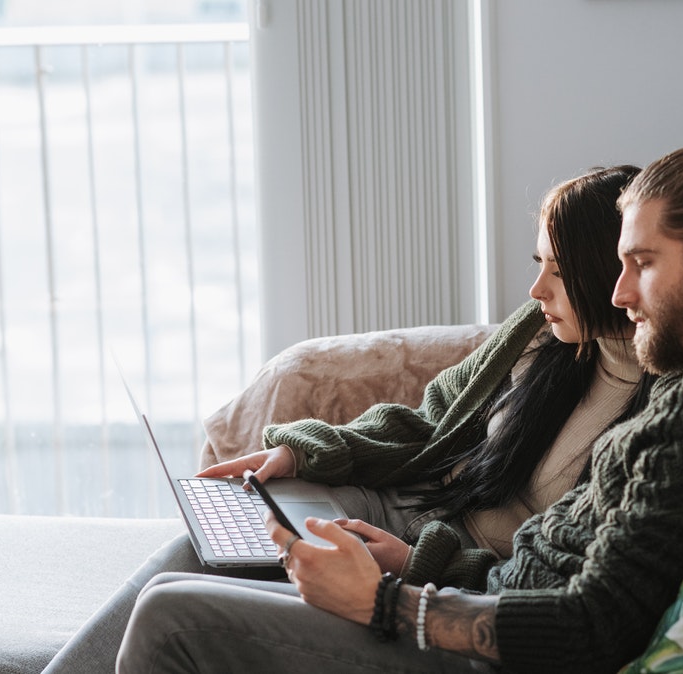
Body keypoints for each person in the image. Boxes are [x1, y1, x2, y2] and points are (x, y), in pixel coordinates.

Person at [116, 106, 683, 673]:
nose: (621, 290)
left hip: (471, 645)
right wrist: (410, 566)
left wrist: (385, 599)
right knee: (208, 557)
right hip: (468, 591)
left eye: (642, 264)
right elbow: (550, 563)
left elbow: (594, 624)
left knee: (169, 616)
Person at [46, 165, 650, 673]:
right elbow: (429, 422)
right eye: (537, 262)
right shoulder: (547, 336)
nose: (536, 288)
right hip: (408, 512)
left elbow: (548, 592)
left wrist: (411, 564)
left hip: (449, 582)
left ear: (611, 274)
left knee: (167, 610)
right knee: (208, 545)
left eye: (558, 271)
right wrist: (305, 454)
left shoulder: (654, 419)